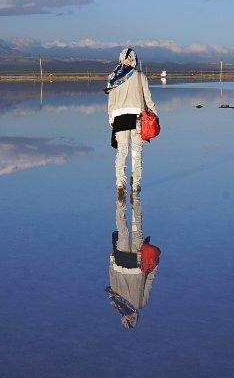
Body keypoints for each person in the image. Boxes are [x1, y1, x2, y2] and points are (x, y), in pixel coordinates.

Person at [105, 48, 157, 196]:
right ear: (135, 59)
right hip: (137, 118)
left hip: (119, 118)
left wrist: (111, 118)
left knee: (122, 151)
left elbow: (111, 101)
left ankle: (120, 182)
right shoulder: (141, 76)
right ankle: (135, 184)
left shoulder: (113, 77)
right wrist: (155, 116)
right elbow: (148, 100)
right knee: (136, 152)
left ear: (121, 58)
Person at [106, 192, 161, 329]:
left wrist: (154, 267)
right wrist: (112, 261)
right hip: (121, 261)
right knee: (123, 231)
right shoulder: (114, 303)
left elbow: (149, 281)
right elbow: (112, 279)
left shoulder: (140, 304)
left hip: (137, 263)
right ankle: (121, 203)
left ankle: (135, 197)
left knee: (137, 230)